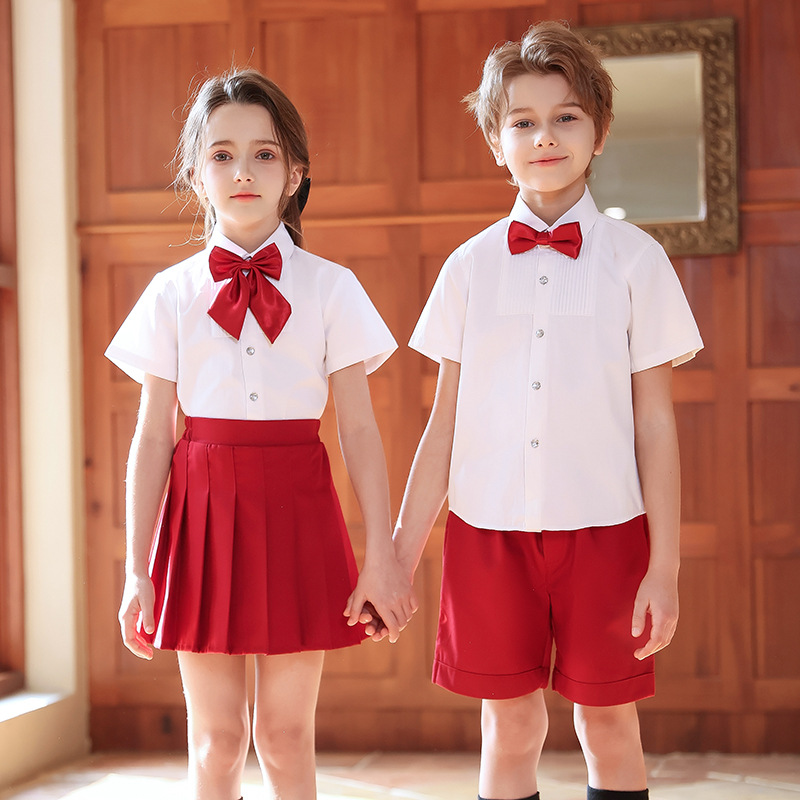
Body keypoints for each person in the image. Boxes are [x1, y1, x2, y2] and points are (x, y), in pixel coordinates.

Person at [391, 21, 703, 800]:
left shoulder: (638, 262)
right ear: (496, 142)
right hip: (487, 534)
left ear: (598, 131)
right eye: (522, 121)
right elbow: (444, 425)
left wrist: (662, 565)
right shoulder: (466, 269)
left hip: (607, 534)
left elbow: (656, 425)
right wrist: (397, 552)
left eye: (565, 116)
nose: (544, 136)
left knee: (609, 726)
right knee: (510, 728)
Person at [106, 68, 417, 800]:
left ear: (295, 172)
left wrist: (382, 558)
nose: (242, 171)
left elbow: (361, 431)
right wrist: (137, 569)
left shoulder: (331, 287)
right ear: (195, 172)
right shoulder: (172, 293)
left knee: (282, 737)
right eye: (221, 155)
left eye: (264, 153)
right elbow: (153, 438)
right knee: (216, 744)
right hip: (200, 517)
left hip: (297, 511)